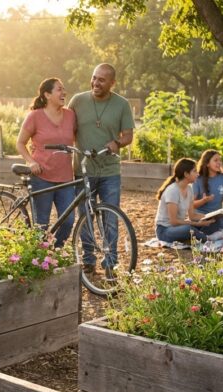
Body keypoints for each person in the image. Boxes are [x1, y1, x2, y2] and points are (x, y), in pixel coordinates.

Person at [68, 63, 134, 274]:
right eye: (94, 78)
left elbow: (128, 136)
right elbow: (65, 128)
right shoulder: (77, 101)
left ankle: (110, 262)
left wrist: (117, 143)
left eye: (101, 80)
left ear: (112, 83)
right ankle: (88, 259)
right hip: (83, 169)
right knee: (85, 215)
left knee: (110, 217)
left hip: (109, 171)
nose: (96, 83)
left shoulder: (122, 104)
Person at [16, 78, 77, 247]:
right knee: (41, 224)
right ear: (47, 94)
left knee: (68, 220)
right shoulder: (35, 116)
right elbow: (20, 143)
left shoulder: (70, 115)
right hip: (42, 176)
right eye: (59, 89)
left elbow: (79, 138)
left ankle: (55, 253)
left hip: (65, 177)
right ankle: (40, 258)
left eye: (64, 89)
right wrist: (30, 162)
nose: (63, 92)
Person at [155, 158, 216, 243]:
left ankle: (202, 235)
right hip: (165, 230)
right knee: (188, 229)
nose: (197, 174)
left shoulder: (189, 189)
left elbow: (192, 216)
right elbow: (174, 222)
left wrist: (210, 216)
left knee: (214, 222)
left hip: (179, 227)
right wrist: (198, 224)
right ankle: (209, 239)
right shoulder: (172, 191)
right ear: (186, 174)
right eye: (195, 171)